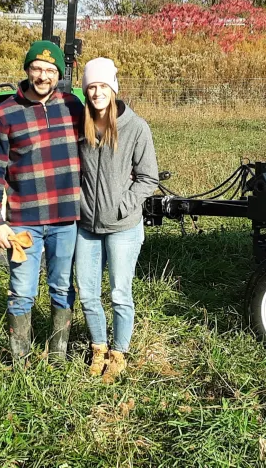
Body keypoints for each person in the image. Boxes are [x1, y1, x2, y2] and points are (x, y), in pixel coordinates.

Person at [0, 40, 84, 364]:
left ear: (59, 74)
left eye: (50, 70)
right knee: (22, 291)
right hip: (24, 220)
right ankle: (19, 361)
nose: (43, 76)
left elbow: (95, 149)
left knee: (62, 286)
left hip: (66, 218)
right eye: (37, 68)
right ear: (27, 70)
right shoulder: (5, 113)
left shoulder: (73, 106)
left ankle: (57, 356)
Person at [74, 57, 159, 382]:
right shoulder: (79, 125)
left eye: (102, 86)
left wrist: (124, 206)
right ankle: (98, 347)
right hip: (87, 227)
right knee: (88, 293)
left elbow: (148, 177)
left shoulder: (135, 127)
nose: (97, 93)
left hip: (123, 227)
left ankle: (119, 352)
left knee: (120, 294)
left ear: (112, 88)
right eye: (91, 87)